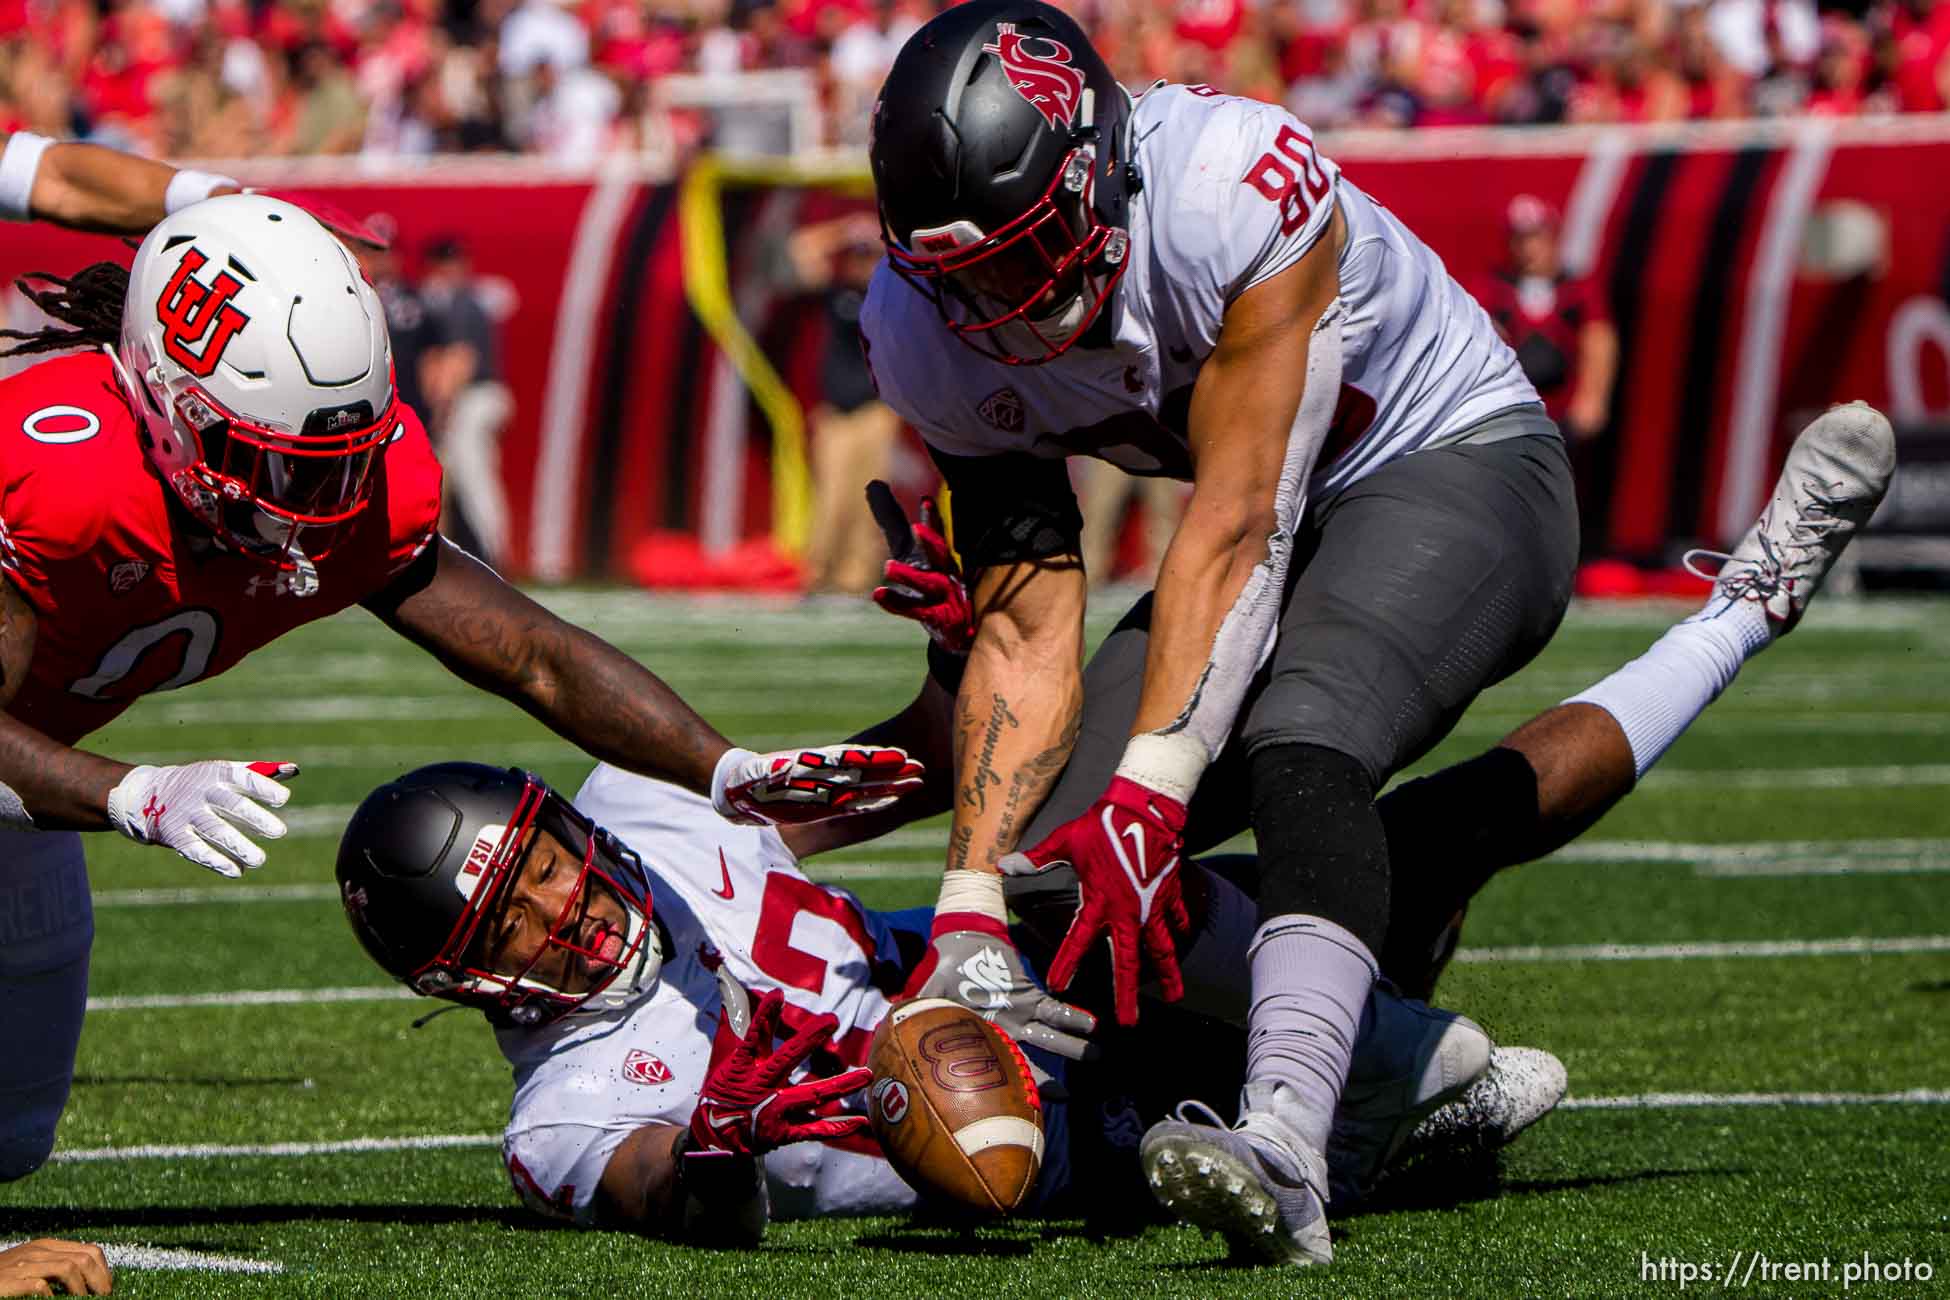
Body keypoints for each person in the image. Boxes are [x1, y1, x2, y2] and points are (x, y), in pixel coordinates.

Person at [332, 392, 1897, 1245]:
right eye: (514, 920)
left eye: (542, 861)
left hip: (1081, 998)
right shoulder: (562, 1112)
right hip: (1085, 1145)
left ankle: (1742, 607)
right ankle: (1385, 1103)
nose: (565, 904)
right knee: (1368, 905)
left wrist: (954, 654)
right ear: (468, 982)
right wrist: (735, 1131)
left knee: (1388, 835)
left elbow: (929, 767)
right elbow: (677, 1193)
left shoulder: (644, 811)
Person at [0, 180, 922, 1190]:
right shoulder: (58, 483)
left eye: (343, 462)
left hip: (31, 779)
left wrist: (723, 766)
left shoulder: (333, 484)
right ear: (168, 412)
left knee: (14, 1134)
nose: (325, 506)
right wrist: (125, 792)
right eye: (285, 468)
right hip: (30, 762)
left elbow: (536, 654)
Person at [860, 0, 1577, 1264]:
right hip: (1269, 523)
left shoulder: (1229, 187)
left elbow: (1242, 520)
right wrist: (968, 897)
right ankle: (1404, 1066)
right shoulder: (920, 327)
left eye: (1022, 258)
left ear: (1100, 172)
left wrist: (1155, 787)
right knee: (1048, 869)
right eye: (963, 276)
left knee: (1304, 730)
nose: (1001, 308)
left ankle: (1290, 1140)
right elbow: (1031, 627)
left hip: (1448, 465)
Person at [1474, 195, 1619, 553]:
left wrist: (1593, 398)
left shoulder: (1577, 288)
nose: (1528, 249)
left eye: (1536, 237)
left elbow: (1598, 340)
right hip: (1515, 407)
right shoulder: (1493, 288)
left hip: (1563, 407)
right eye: (1520, 239)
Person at [783, 212, 904, 595]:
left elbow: (911, 259)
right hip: (836, 412)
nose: (860, 263)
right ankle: (818, 576)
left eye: (867, 256)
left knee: (869, 500)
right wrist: (843, 229)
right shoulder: (835, 294)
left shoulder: (890, 296)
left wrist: (880, 235)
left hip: (876, 411)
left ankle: (856, 581)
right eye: (856, 256)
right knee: (832, 498)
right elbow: (801, 249)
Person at [419, 235, 513, 567]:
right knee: (448, 481)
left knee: (475, 481)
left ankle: (495, 557)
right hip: (480, 396)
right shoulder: (467, 299)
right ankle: (453, 560)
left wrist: (441, 408)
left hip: (473, 396)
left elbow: (461, 359)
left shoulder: (459, 301)